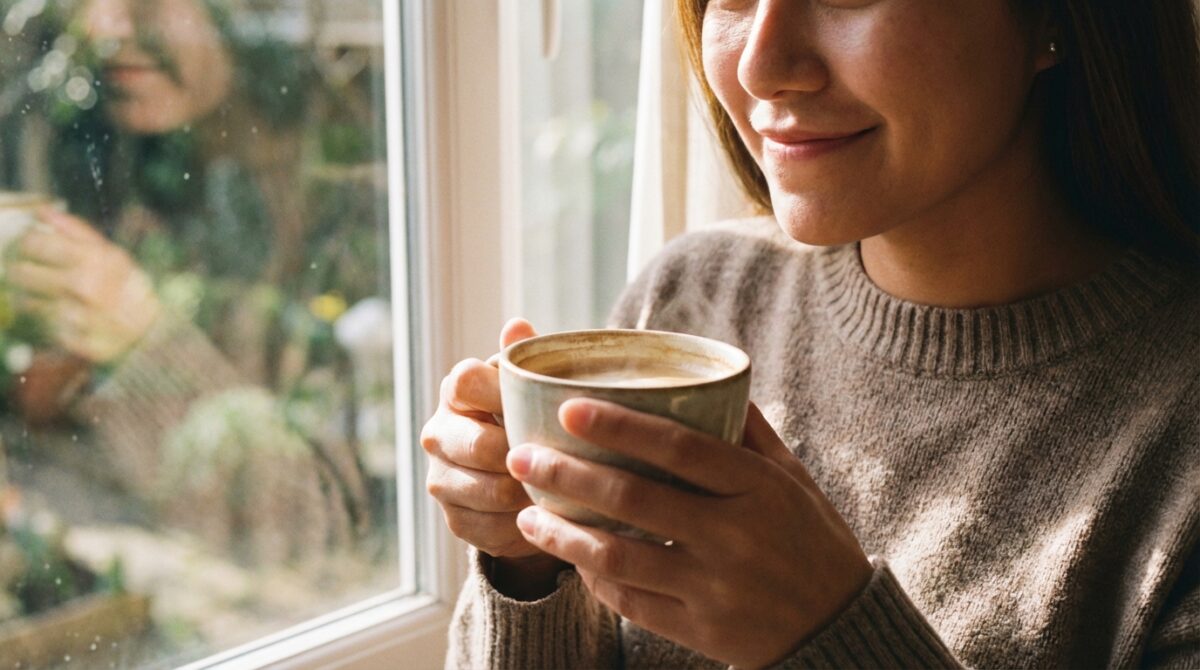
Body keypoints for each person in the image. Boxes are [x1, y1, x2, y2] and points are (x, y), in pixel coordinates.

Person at [423, 0, 1200, 667]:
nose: (763, 66)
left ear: (1053, 17)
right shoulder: (693, 299)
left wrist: (830, 634)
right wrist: (529, 567)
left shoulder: (1177, 436)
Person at [4, 0, 384, 567]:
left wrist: (142, 344)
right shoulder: (85, 143)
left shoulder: (347, 173)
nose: (109, 25)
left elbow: (329, 528)